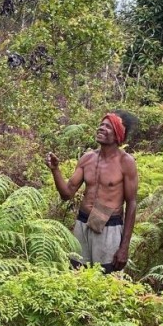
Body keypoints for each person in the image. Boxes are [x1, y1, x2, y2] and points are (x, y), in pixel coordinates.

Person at [46, 112, 139, 273]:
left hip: (109, 227)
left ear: (117, 135)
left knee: (107, 279)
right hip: (83, 223)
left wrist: (124, 247)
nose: (101, 128)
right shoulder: (87, 158)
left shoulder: (126, 162)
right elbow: (67, 194)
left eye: (108, 126)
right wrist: (55, 170)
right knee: (77, 273)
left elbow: (131, 203)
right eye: (101, 125)